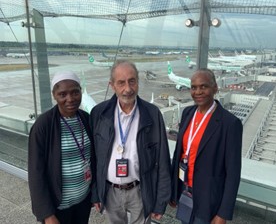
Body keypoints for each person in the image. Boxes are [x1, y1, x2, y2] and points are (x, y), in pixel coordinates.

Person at [90, 60, 171, 224]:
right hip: (110, 190)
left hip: (140, 191)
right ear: (112, 85)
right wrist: (95, 193)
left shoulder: (152, 114)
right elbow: (93, 159)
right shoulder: (99, 113)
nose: (128, 89)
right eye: (121, 83)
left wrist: (160, 202)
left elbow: (162, 160)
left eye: (132, 81)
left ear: (138, 82)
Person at [170, 68, 243, 224]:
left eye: (204, 86)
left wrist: (223, 214)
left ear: (215, 88)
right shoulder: (187, 113)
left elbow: (233, 173)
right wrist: (173, 190)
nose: (198, 92)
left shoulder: (230, 124)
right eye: (194, 87)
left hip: (208, 201)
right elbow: (179, 154)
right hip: (184, 191)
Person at [28, 71, 95, 224]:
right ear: (54, 95)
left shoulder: (86, 119)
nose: (70, 99)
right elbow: (36, 173)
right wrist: (47, 214)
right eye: (62, 94)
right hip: (57, 208)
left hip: (83, 202)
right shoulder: (43, 126)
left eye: (75, 92)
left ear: (80, 92)